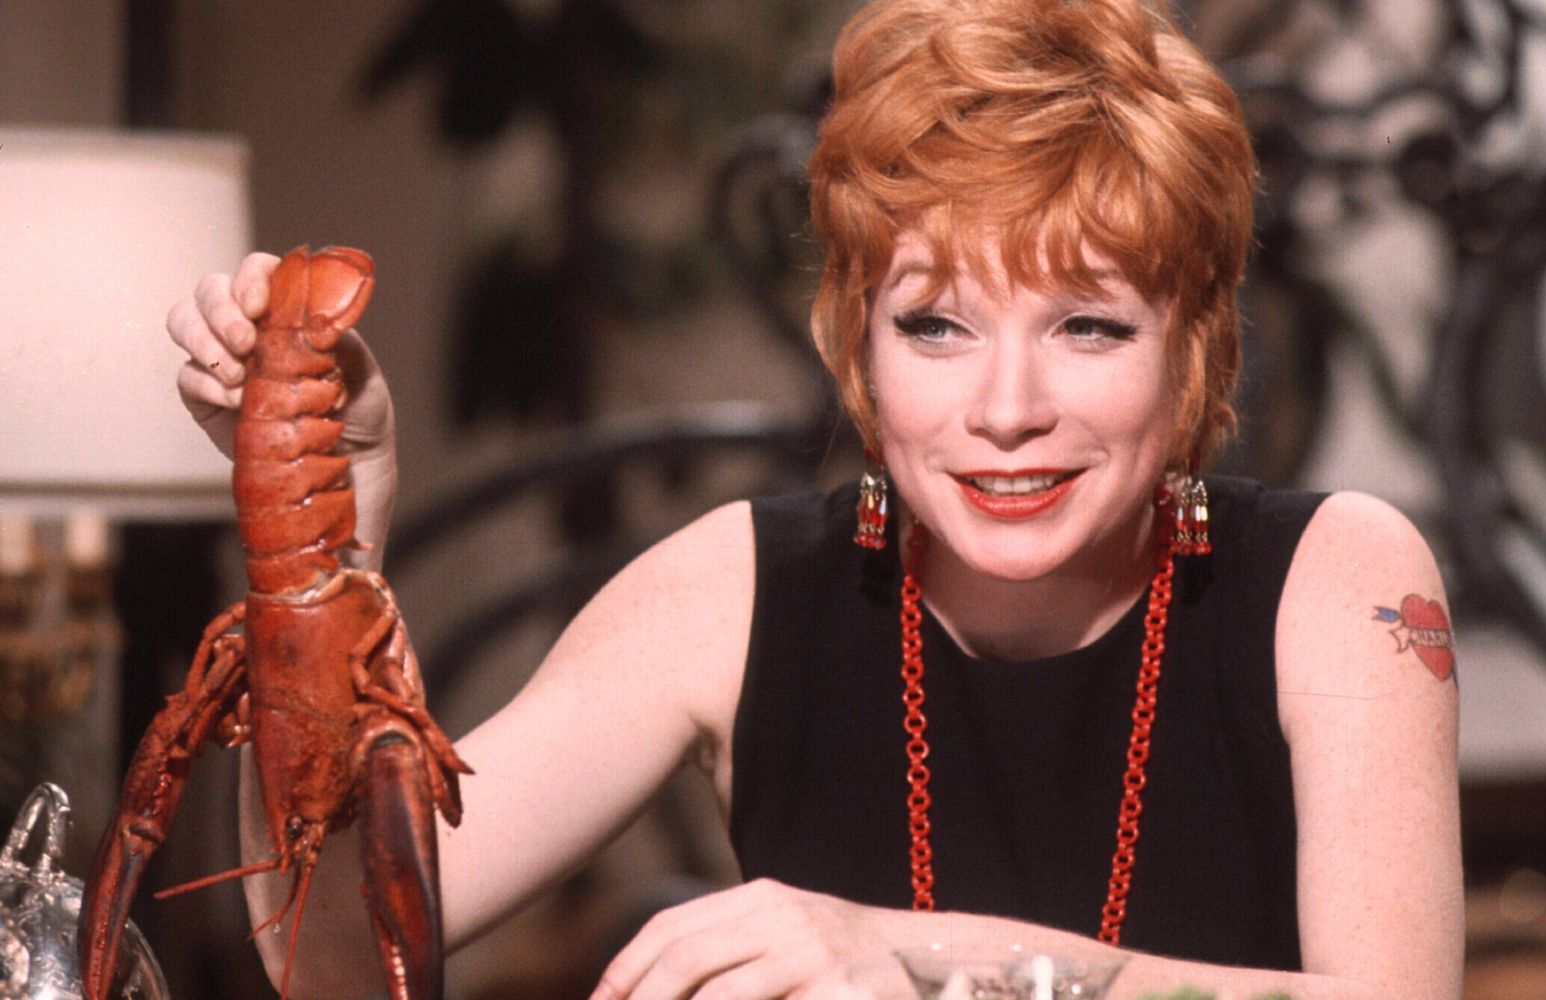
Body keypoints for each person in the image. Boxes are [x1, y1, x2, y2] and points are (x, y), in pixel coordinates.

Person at [166, 0, 1462, 996]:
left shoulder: (1339, 582)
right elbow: (327, 963)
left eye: (1087, 325)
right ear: (855, 349)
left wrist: (899, 955)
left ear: (1193, 349)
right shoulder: (728, 591)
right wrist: (336, 553)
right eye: (937, 325)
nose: (1006, 406)